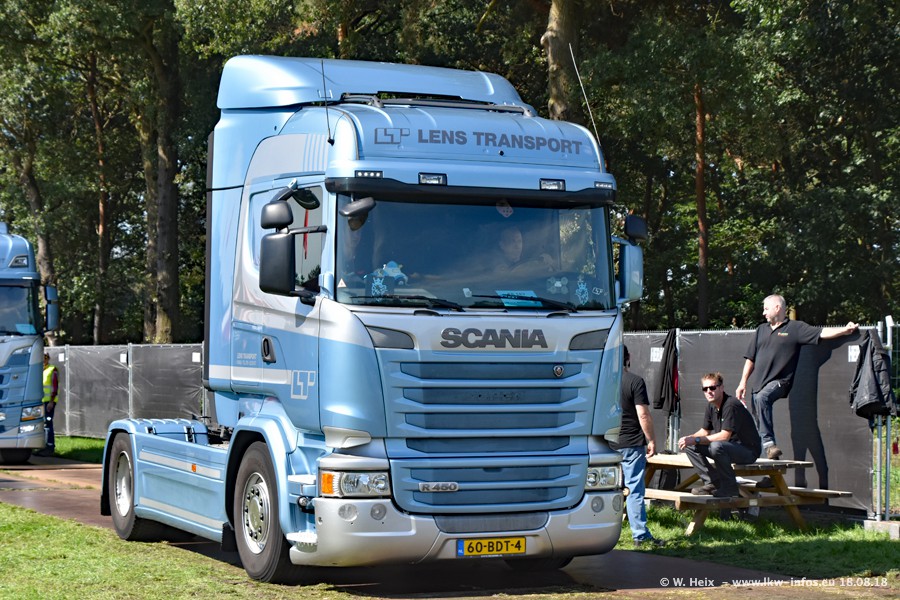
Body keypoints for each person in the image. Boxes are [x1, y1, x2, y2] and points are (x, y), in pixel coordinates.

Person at [735, 294, 858, 459]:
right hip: (758, 386)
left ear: (777, 308)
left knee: (763, 398)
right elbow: (750, 359)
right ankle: (771, 463)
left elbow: (821, 332)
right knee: (759, 419)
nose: (763, 313)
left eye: (766, 309)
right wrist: (742, 383)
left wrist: (844, 330)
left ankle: (769, 445)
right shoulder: (761, 330)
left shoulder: (795, 328)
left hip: (780, 382)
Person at [610, 346, 665, 548]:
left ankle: (604, 532)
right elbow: (643, 414)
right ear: (628, 357)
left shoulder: (602, 381)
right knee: (634, 490)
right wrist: (652, 440)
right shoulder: (635, 381)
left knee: (608, 489)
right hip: (632, 443)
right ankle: (640, 535)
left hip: (607, 443)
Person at [678, 372, 761, 498]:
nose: (709, 392)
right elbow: (704, 431)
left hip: (748, 451)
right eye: (705, 389)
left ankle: (730, 488)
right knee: (691, 446)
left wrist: (696, 439)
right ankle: (713, 482)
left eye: (712, 388)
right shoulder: (711, 405)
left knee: (716, 446)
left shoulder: (731, 405)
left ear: (721, 388)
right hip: (727, 448)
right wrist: (689, 439)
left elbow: (724, 436)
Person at [36, 352, 59, 457]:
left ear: (48, 359)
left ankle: (50, 446)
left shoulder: (52, 369)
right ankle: (41, 446)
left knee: (47, 423)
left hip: (48, 402)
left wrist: (51, 402)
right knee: (40, 424)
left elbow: (55, 387)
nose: (44, 360)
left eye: (45, 358)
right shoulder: (38, 370)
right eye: (42, 358)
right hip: (39, 402)